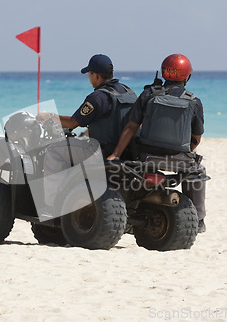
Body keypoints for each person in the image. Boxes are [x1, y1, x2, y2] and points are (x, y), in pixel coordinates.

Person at [107, 54, 208, 233]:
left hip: (147, 157)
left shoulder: (149, 94)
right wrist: (187, 151)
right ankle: (199, 220)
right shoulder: (194, 101)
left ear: (163, 73)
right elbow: (197, 137)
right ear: (187, 77)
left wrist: (115, 154)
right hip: (181, 159)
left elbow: (131, 126)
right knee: (198, 172)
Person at [38, 54, 137, 158]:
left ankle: (55, 175)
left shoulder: (98, 97)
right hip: (128, 151)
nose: (89, 78)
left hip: (102, 152)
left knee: (53, 149)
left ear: (96, 75)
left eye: (89, 74)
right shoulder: (129, 92)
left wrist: (50, 116)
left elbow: (72, 123)